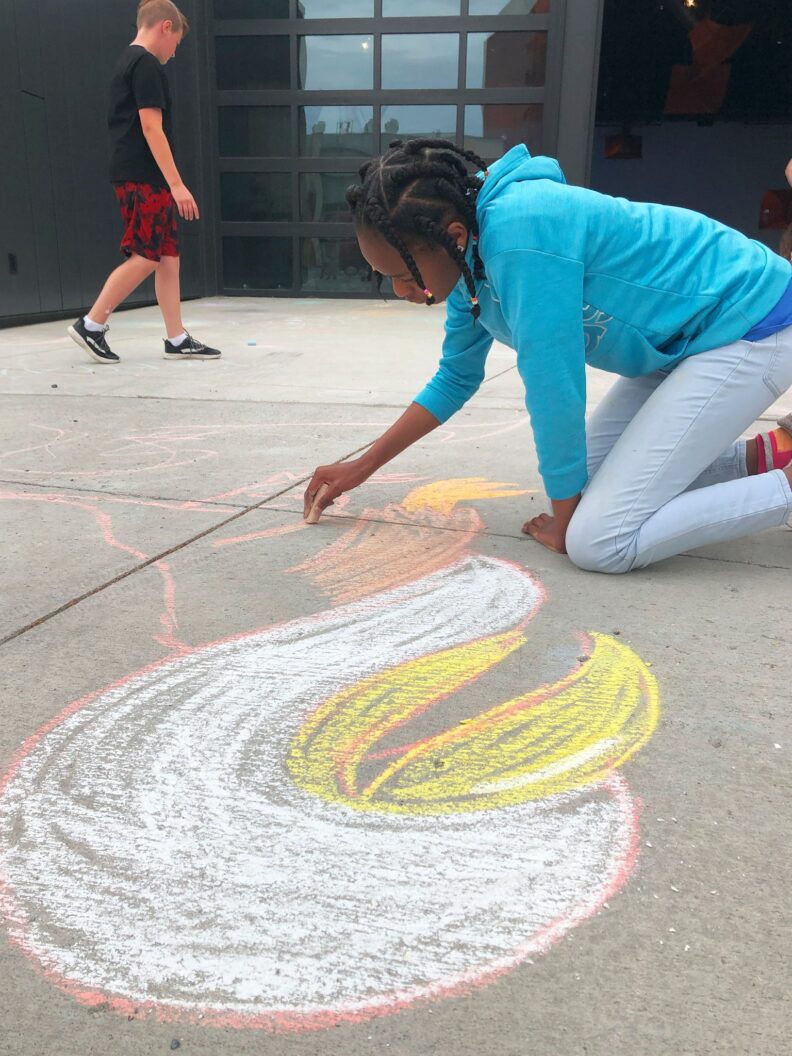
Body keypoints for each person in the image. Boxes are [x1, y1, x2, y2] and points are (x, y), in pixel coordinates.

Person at [303, 138, 792, 574]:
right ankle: (764, 457)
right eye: (384, 274)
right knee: (592, 483)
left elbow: (553, 385)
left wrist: (565, 522)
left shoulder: (523, 234)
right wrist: (360, 467)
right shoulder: (466, 267)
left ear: (451, 235)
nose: (400, 290)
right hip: (675, 342)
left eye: (406, 274)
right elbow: (454, 379)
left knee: (599, 542)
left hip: (750, 322)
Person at [67, 0, 220, 364]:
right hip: (142, 175)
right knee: (147, 254)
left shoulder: (129, 62)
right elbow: (152, 128)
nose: (175, 51)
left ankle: (177, 338)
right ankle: (91, 324)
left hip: (141, 174)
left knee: (167, 256)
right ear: (165, 27)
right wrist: (177, 184)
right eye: (177, 42)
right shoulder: (146, 64)